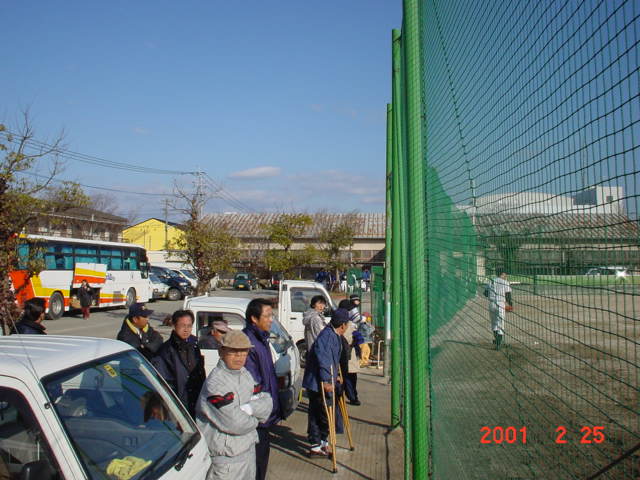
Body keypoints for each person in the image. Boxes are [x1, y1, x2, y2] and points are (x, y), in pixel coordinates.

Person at [196, 330, 272, 480]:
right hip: (226, 463)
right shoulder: (215, 383)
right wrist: (255, 420)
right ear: (221, 352)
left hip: (248, 454)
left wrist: (249, 408)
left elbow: (267, 402)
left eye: (244, 352)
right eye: (234, 352)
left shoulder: (245, 375)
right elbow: (235, 423)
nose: (239, 357)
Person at [242, 298, 281, 480]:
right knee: (256, 464)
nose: (271, 320)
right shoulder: (249, 343)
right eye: (267, 316)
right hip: (256, 419)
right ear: (254, 318)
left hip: (263, 415)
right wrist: (263, 410)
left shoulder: (261, 339)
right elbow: (253, 385)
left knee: (261, 462)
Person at [302, 308, 349, 456]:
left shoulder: (334, 335)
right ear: (343, 325)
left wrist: (335, 376)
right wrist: (327, 380)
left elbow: (331, 360)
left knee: (324, 413)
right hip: (318, 382)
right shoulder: (328, 336)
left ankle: (323, 441)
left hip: (323, 379)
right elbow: (324, 360)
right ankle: (316, 445)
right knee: (319, 413)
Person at [153, 310, 206, 418]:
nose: (186, 329)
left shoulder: (194, 345)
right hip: (178, 406)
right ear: (174, 325)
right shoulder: (165, 351)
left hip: (196, 402)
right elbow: (163, 383)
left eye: (189, 326)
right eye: (182, 325)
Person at [486, 269, 513, 350]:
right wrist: (510, 304)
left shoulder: (491, 281)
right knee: (500, 324)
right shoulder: (505, 282)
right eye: (505, 274)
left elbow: (485, 293)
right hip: (501, 304)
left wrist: (493, 294)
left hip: (492, 304)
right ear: (502, 274)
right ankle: (498, 343)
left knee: (494, 323)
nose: (506, 276)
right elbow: (508, 295)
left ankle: (497, 340)